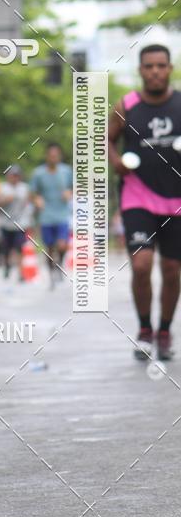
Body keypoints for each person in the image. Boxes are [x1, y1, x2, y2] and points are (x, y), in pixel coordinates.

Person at [108, 44, 181, 361]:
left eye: (161, 65)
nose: (155, 71)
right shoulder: (127, 104)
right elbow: (104, 138)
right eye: (149, 66)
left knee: (172, 269)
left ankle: (164, 331)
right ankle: (144, 330)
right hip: (137, 196)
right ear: (140, 70)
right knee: (141, 265)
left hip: (176, 200)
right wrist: (116, 162)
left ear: (170, 69)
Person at [29, 142, 73, 287]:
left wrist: (69, 193)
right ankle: (51, 274)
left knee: (62, 245)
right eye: (51, 155)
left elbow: (74, 187)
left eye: (56, 155)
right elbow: (32, 194)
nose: (53, 158)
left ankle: (59, 263)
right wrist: (37, 200)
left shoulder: (66, 171)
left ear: (59, 156)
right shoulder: (38, 173)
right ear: (47, 157)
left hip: (62, 214)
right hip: (46, 215)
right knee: (49, 247)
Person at [0, 165, 33, 281]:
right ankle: (7, 266)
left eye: (17, 176)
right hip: (5, 223)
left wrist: (29, 221)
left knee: (19, 248)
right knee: (6, 249)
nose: (14, 178)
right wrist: (6, 200)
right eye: (12, 176)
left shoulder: (25, 188)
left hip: (20, 223)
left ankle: (20, 272)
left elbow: (29, 204)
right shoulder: (2, 188)